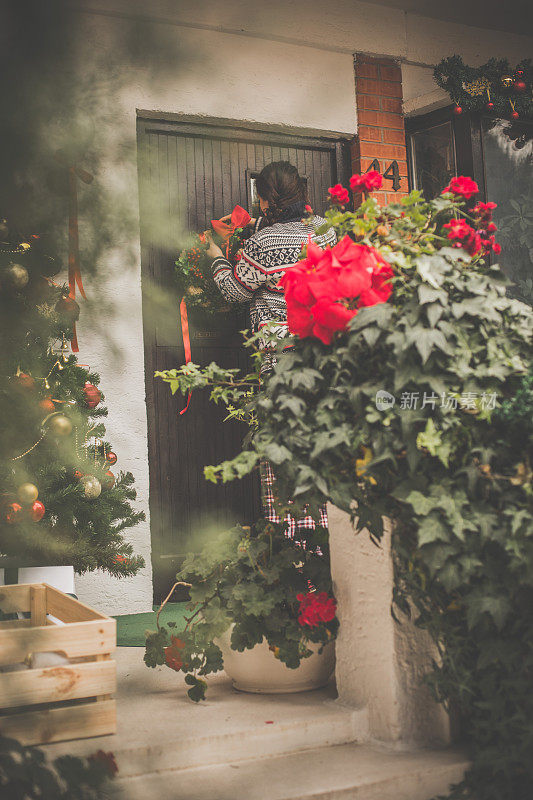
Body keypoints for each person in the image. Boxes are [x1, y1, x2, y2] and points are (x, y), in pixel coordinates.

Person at [204, 160, 335, 537]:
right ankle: (329, 541)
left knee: (285, 446)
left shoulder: (263, 242)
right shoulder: (325, 230)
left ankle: (296, 545)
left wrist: (216, 258)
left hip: (282, 360)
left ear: (264, 199)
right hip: (326, 353)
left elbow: (234, 291)